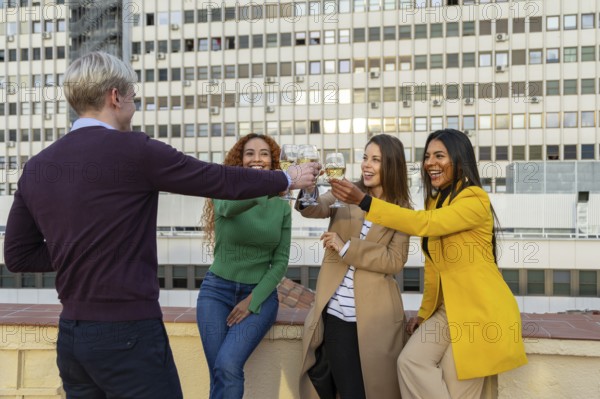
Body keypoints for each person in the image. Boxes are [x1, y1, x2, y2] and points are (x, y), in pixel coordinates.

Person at [2, 52, 319, 399]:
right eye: (133, 97)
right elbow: (216, 179)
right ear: (115, 96)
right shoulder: (135, 150)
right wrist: (286, 177)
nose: (133, 106)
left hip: (73, 341)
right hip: (129, 334)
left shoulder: (37, 166)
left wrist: (79, 252)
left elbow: (18, 256)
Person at [330, 129, 528, 399]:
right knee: (410, 362)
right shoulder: (435, 200)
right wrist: (424, 313)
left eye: (439, 156)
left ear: (460, 160)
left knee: (454, 389)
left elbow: (425, 224)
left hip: (479, 314)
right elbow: (434, 267)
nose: (430, 163)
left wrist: (365, 201)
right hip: (447, 311)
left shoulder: (474, 200)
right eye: (427, 157)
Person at [298, 134, 411, 399]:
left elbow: (394, 260)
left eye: (376, 160)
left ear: (392, 166)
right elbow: (314, 209)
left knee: (379, 389)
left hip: (378, 319)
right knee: (351, 391)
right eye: (364, 158)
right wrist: (309, 188)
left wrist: (347, 247)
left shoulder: (403, 209)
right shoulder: (345, 192)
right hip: (340, 315)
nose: (366, 165)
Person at [197, 133, 292, 399]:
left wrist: (253, 301)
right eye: (249, 153)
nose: (256, 159)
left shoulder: (282, 205)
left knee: (227, 366)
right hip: (216, 292)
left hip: (259, 297)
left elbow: (281, 261)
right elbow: (228, 209)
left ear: (273, 161)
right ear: (240, 160)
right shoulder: (224, 190)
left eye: (264, 154)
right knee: (219, 372)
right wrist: (268, 188)